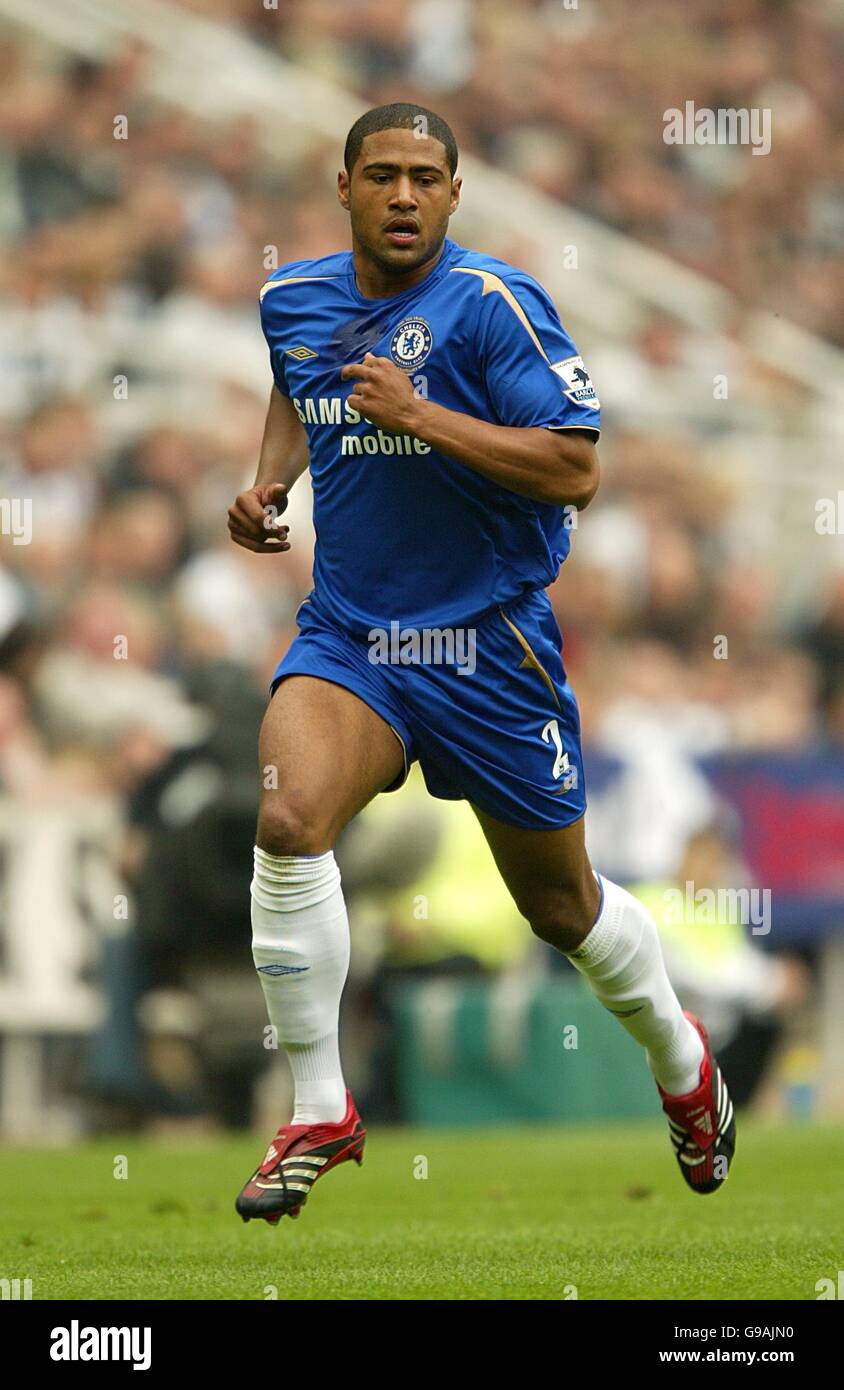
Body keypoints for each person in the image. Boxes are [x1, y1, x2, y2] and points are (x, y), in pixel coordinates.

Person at [227, 104, 735, 1225]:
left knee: (564, 911)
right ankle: (319, 1104)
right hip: (354, 635)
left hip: (486, 645)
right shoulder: (291, 298)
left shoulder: (495, 305)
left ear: (455, 195)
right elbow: (297, 382)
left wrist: (423, 417)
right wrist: (273, 481)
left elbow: (572, 469)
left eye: (425, 177)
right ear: (343, 186)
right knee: (286, 817)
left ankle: (678, 1054)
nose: (403, 194)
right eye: (382, 176)